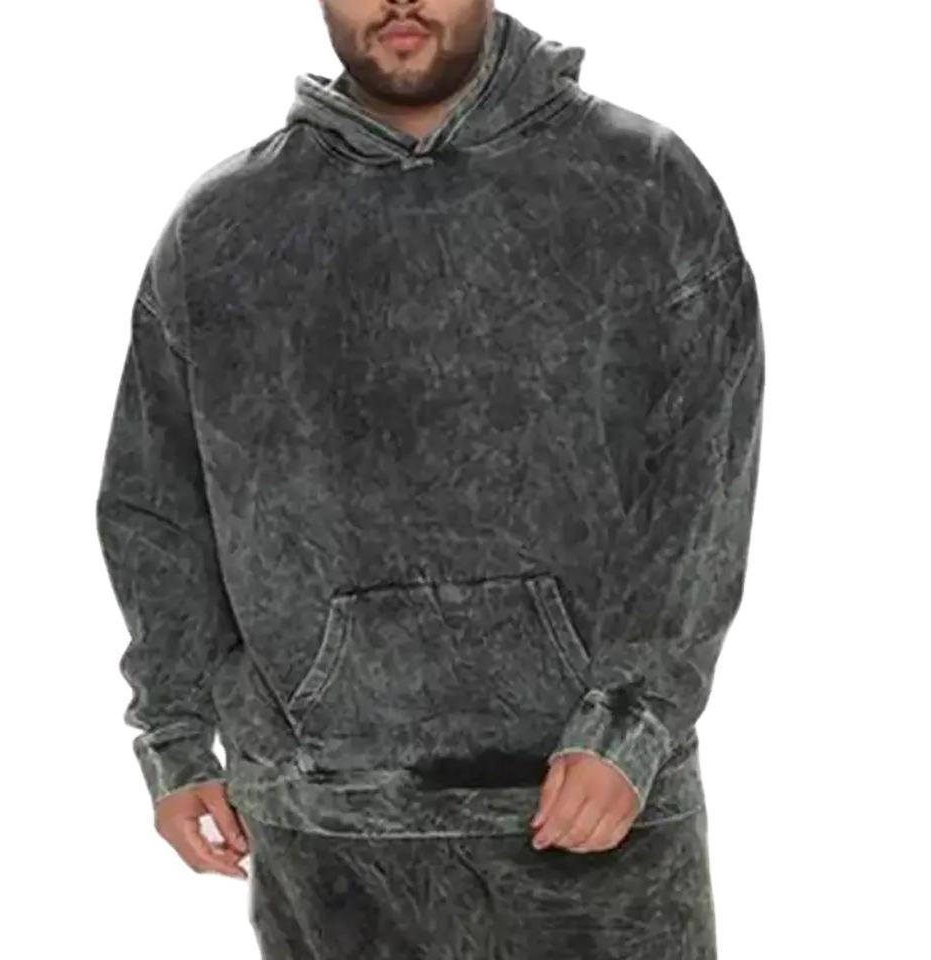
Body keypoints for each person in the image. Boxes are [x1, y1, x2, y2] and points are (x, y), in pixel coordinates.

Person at [95, 1, 765, 956]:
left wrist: (632, 723)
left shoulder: (642, 182)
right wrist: (174, 738)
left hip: (595, 813)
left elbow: (703, 480)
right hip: (328, 833)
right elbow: (156, 503)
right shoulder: (222, 226)